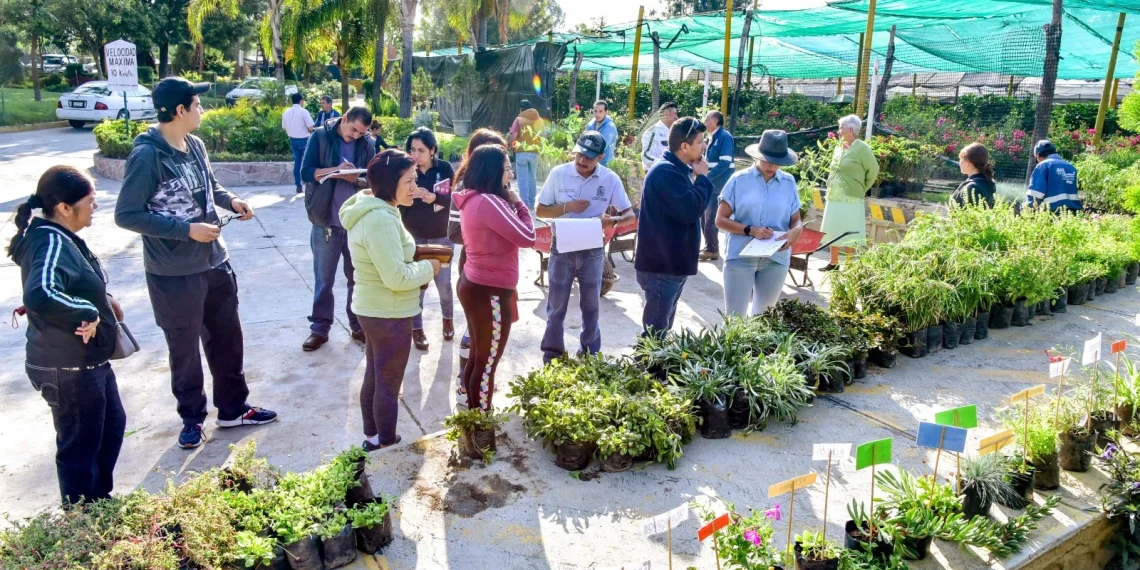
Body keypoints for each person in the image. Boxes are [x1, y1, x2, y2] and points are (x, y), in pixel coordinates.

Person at [115, 77, 277, 450]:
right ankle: (191, 419)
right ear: (179, 111)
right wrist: (186, 230)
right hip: (173, 274)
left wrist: (232, 201)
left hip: (214, 261)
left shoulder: (196, 145)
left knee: (227, 339)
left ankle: (233, 409)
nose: (203, 110)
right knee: (184, 348)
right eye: (197, 105)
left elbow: (211, 186)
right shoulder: (147, 156)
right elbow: (127, 215)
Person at [10, 166, 126, 506]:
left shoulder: (57, 236)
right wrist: (86, 311)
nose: (96, 207)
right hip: (67, 369)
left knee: (110, 429)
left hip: (89, 363)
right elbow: (41, 292)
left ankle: (99, 503)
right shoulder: (48, 240)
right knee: (80, 449)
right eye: (91, 201)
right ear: (64, 207)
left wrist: (103, 299)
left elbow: (67, 281)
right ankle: (82, 521)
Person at [341, 149, 441, 451]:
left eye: (415, 179)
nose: (415, 187)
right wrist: (430, 267)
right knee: (387, 382)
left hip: (376, 309)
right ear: (388, 183)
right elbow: (396, 277)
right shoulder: (380, 220)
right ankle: (386, 446)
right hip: (388, 312)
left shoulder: (374, 208)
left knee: (375, 374)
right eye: (409, 181)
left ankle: (372, 438)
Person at [536, 131, 635, 364]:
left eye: (589, 157)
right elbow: (540, 211)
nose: (582, 160)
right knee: (556, 304)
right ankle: (552, 352)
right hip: (562, 247)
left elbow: (629, 216)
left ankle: (590, 351)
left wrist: (609, 222)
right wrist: (567, 207)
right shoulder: (559, 174)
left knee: (591, 305)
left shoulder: (609, 179)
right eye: (580, 154)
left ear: (600, 157)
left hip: (592, 251)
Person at [454, 145, 536, 411]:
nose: (510, 175)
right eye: (506, 169)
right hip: (489, 291)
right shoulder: (488, 202)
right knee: (486, 363)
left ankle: (471, 414)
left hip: (479, 285)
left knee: (479, 358)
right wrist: (519, 203)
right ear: (493, 172)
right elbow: (528, 237)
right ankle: (481, 421)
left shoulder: (475, 198)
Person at [299, 106, 375, 351]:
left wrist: (357, 179)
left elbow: (370, 180)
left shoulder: (367, 144)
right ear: (344, 118)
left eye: (360, 133)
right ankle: (320, 329)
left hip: (355, 222)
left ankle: (358, 325)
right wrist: (336, 172)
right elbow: (306, 172)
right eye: (353, 129)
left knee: (358, 279)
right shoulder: (320, 136)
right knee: (324, 280)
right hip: (325, 222)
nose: (354, 136)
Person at [634, 117, 714, 338]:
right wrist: (703, 179)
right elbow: (690, 210)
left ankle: (653, 371)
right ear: (685, 146)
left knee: (661, 329)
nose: (704, 146)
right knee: (654, 334)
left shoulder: (675, 170)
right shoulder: (666, 172)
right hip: (662, 267)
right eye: (700, 142)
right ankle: (646, 372)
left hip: (670, 265)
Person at [715, 130, 805, 315]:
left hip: (776, 258)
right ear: (758, 156)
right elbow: (720, 220)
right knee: (735, 319)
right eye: (767, 160)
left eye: (777, 162)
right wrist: (750, 230)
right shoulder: (739, 180)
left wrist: (796, 231)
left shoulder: (788, 183)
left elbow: (796, 220)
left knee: (764, 320)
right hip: (740, 257)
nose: (772, 165)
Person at [448, 128, 508, 404]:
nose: (506, 168)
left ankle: (473, 390)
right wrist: (487, 232)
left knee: (485, 340)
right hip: (477, 266)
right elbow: (453, 232)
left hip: (499, 270)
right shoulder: (468, 191)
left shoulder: (498, 190)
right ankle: (467, 389)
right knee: (476, 334)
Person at [402, 127, 456, 351]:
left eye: (421, 150)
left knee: (443, 284)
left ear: (432, 150)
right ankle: (417, 329)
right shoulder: (405, 169)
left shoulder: (443, 168)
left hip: (441, 235)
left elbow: (456, 198)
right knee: (417, 287)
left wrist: (435, 197)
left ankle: (448, 320)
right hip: (412, 236)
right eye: (412, 150)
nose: (415, 155)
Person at [821, 115, 879, 272]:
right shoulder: (839, 146)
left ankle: (850, 265)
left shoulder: (862, 148)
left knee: (850, 229)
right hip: (834, 194)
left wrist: (862, 187)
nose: (839, 131)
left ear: (851, 129)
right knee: (833, 227)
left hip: (852, 196)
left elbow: (873, 170)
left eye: (841, 128)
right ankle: (833, 263)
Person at [700, 110, 736, 261]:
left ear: (715, 121)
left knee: (710, 219)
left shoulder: (724, 137)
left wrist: (708, 176)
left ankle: (712, 249)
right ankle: (709, 246)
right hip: (711, 184)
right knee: (704, 217)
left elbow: (725, 163)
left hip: (718, 186)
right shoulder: (712, 138)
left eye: (707, 119)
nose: (705, 122)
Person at [508, 100, 546, 210]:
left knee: (522, 179)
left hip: (521, 153)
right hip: (534, 153)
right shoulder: (539, 120)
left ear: (521, 109)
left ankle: (525, 204)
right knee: (532, 178)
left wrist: (512, 147)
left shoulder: (518, 120)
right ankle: (532, 203)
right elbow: (544, 136)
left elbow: (513, 137)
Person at [1028, 140, 1082, 212]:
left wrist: (1027, 210)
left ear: (1037, 155)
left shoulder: (1043, 166)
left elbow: (1036, 194)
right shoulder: (1071, 167)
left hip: (1052, 213)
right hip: (1073, 213)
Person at [282, 92, 315, 194]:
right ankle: (310, 184)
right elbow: (311, 127)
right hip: (304, 139)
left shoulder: (286, 112)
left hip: (293, 140)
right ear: (301, 101)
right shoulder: (304, 112)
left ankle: (298, 185)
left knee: (297, 162)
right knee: (308, 162)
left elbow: (284, 128)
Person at [952, 143, 997, 208]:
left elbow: (969, 216)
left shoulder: (972, 188)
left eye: (960, 159)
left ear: (968, 161)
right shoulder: (987, 182)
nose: (959, 162)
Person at [641, 102, 678, 169]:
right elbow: (645, 155)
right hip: (656, 174)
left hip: (671, 173)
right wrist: (663, 165)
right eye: (675, 114)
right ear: (666, 113)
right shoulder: (653, 132)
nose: (676, 117)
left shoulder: (674, 133)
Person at [584, 100, 618, 166]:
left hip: (604, 165)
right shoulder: (590, 124)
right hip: (589, 163)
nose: (597, 114)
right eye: (595, 111)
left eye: (600, 111)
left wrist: (587, 144)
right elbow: (583, 140)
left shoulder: (610, 127)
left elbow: (600, 146)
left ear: (606, 112)